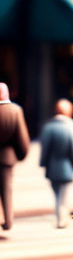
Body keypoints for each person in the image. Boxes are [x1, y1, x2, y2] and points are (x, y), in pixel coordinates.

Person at [39, 99, 73, 229]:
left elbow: (44, 149)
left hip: (52, 167)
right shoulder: (71, 126)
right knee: (63, 194)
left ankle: (61, 216)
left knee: (57, 193)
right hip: (66, 166)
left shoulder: (48, 126)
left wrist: (43, 163)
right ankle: (62, 218)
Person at [0, 82, 30, 231]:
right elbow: (22, 137)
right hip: (7, 158)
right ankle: (8, 220)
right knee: (6, 190)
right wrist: (21, 154)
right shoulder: (15, 110)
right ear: (7, 94)